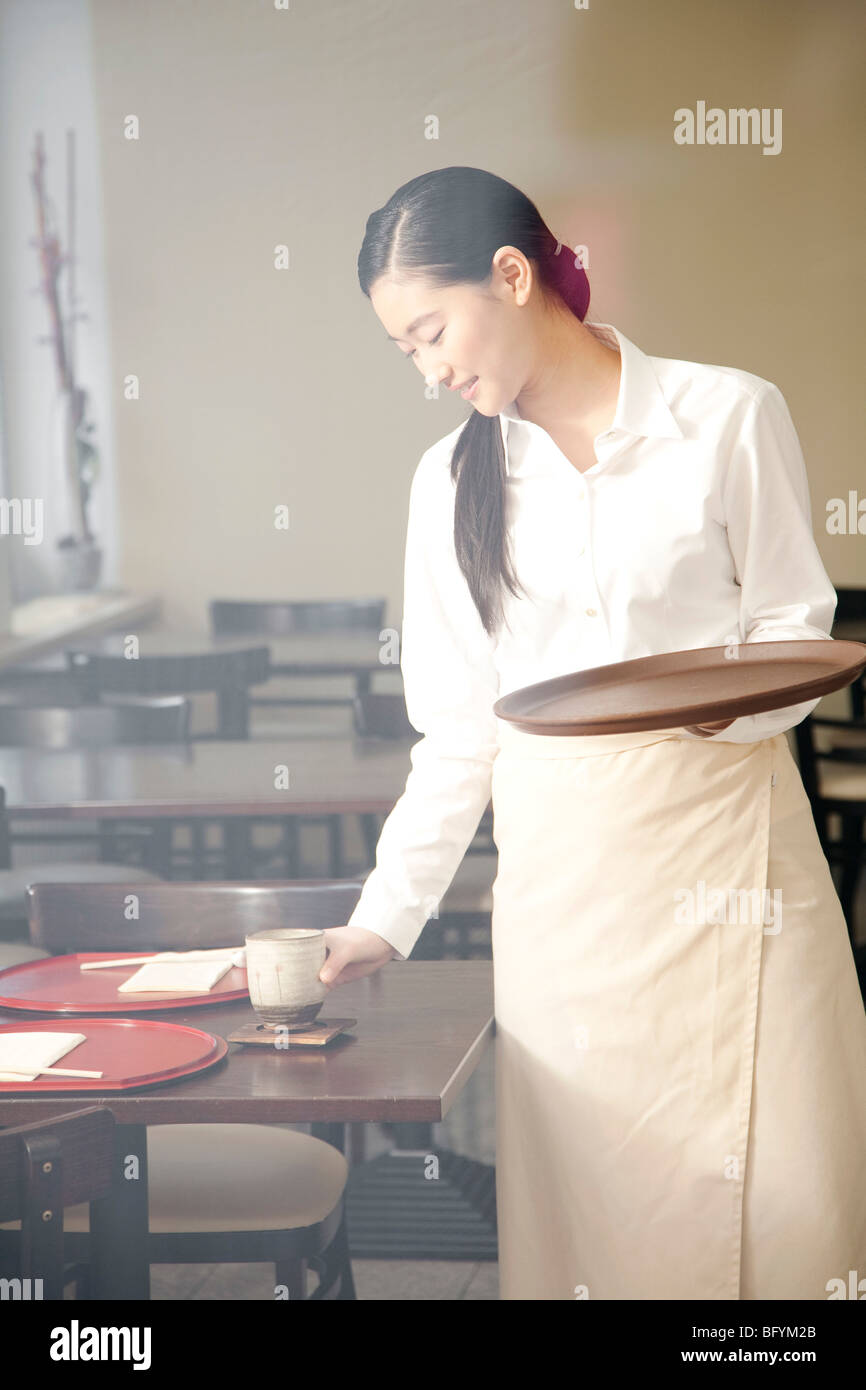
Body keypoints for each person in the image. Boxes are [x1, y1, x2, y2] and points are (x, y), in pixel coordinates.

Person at [318, 166, 866, 1299]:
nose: (428, 371)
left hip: (732, 865)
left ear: (510, 276)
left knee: (781, 1198)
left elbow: (791, 622)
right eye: (403, 352)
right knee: (602, 1218)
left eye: (429, 331)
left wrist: (724, 703)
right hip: (566, 900)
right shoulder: (448, 482)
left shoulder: (724, 414)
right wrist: (382, 920)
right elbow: (458, 732)